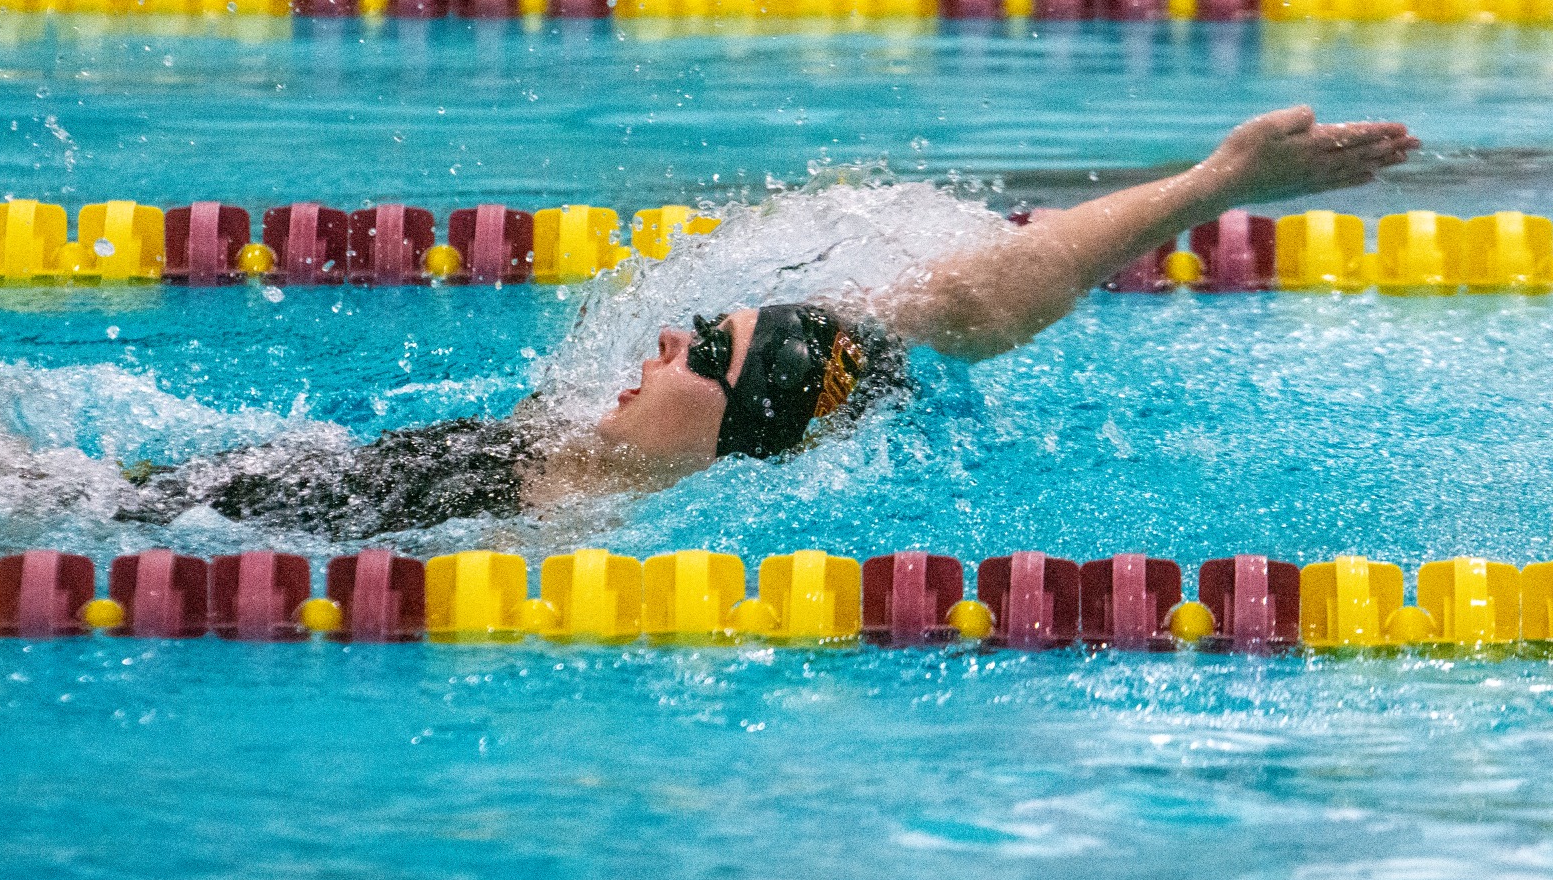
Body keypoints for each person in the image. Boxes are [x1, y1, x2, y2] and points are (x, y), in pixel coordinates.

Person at [118, 105, 1418, 535]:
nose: (665, 344)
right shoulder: (549, 461)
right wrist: (1207, 186)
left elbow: (968, 305)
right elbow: (968, 292)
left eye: (706, 354)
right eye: (696, 331)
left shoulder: (578, 529)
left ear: (755, 432)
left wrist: (1215, 188)